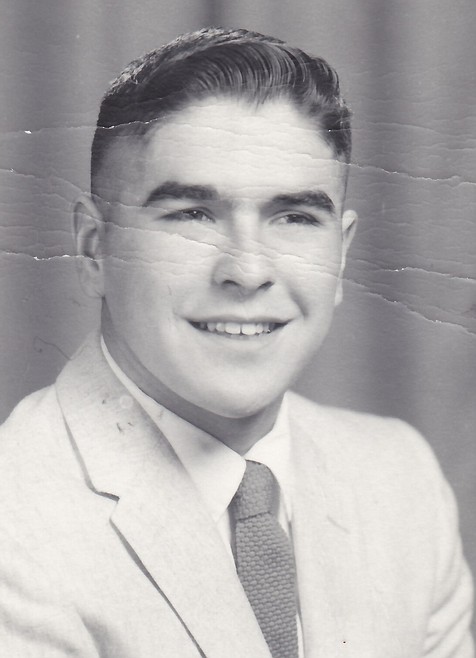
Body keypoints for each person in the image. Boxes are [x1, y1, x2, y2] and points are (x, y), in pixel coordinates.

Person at [0, 26, 472, 658]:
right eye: (191, 215)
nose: (247, 271)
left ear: (340, 255)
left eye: (295, 217)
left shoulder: (399, 477)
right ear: (94, 249)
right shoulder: (15, 521)